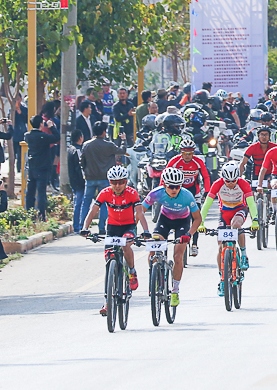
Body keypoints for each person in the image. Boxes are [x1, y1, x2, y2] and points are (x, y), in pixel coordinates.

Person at [79, 165, 150, 316]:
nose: (117, 186)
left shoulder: (132, 193)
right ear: (109, 182)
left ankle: (131, 271)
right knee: (108, 259)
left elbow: (140, 213)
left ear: (126, 182)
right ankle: (107, 300)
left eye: (121, 182)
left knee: (126, 247)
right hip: (111, 228)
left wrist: (146, 231)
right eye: (114, 182)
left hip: (128, 227)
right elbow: (93, 210)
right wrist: (85, 228)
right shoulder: (105, 193)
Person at [141, 167, 202, 307]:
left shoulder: (187, 195)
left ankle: (175, 290)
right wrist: (139, 230)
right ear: (164, 185)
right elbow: (139, 212)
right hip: (165, 220)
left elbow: (197, 219)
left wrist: (189, 235)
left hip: (183, 222)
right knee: (154, 246)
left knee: (178, 255)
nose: (174, 189)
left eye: (177, 186)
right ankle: (154, 277)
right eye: (171, 186)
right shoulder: (156, 193)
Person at [198, 161, 259, 296]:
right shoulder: (217, 184)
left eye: (233, 181)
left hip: (239, 210)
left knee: (236, 225)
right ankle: (222, 277)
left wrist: (255, 220)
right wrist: (200, 223)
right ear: (223, 178)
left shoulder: (243, 184)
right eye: (227, 181)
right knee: (220, 247)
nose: (231, 184)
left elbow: (251, 203)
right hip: (224, 213)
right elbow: (206, 205)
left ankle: (243, 255)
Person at [80, 121, 127, 233]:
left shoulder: (87, 145)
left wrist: (86, 171)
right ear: (104, 132)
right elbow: (122, 151)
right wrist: (123, 140)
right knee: (105, 203)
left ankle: (82, 226)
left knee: (86, 202)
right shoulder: (109, 145)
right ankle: (102, 228)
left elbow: (82, 161)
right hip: (105, 178)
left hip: (90, 178)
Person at [24, 114, 60, 220]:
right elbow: (57, 137)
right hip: (43, 167)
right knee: (41, 193)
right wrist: (51, 127)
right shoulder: (43, 136)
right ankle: (41, 216)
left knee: (30, 192)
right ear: (41, 124)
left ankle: (29, 214)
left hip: (32, 166)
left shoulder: (28, 135)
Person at [67, 129, 86, 230]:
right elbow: (80, 167)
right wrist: (85, 179)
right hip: (79, 181)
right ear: (80, 138)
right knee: (79, 203)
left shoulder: (70, 149)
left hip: (73, 180)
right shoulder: (77, 150)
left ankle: (78, 225)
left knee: (77, 202)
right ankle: (78, 226)